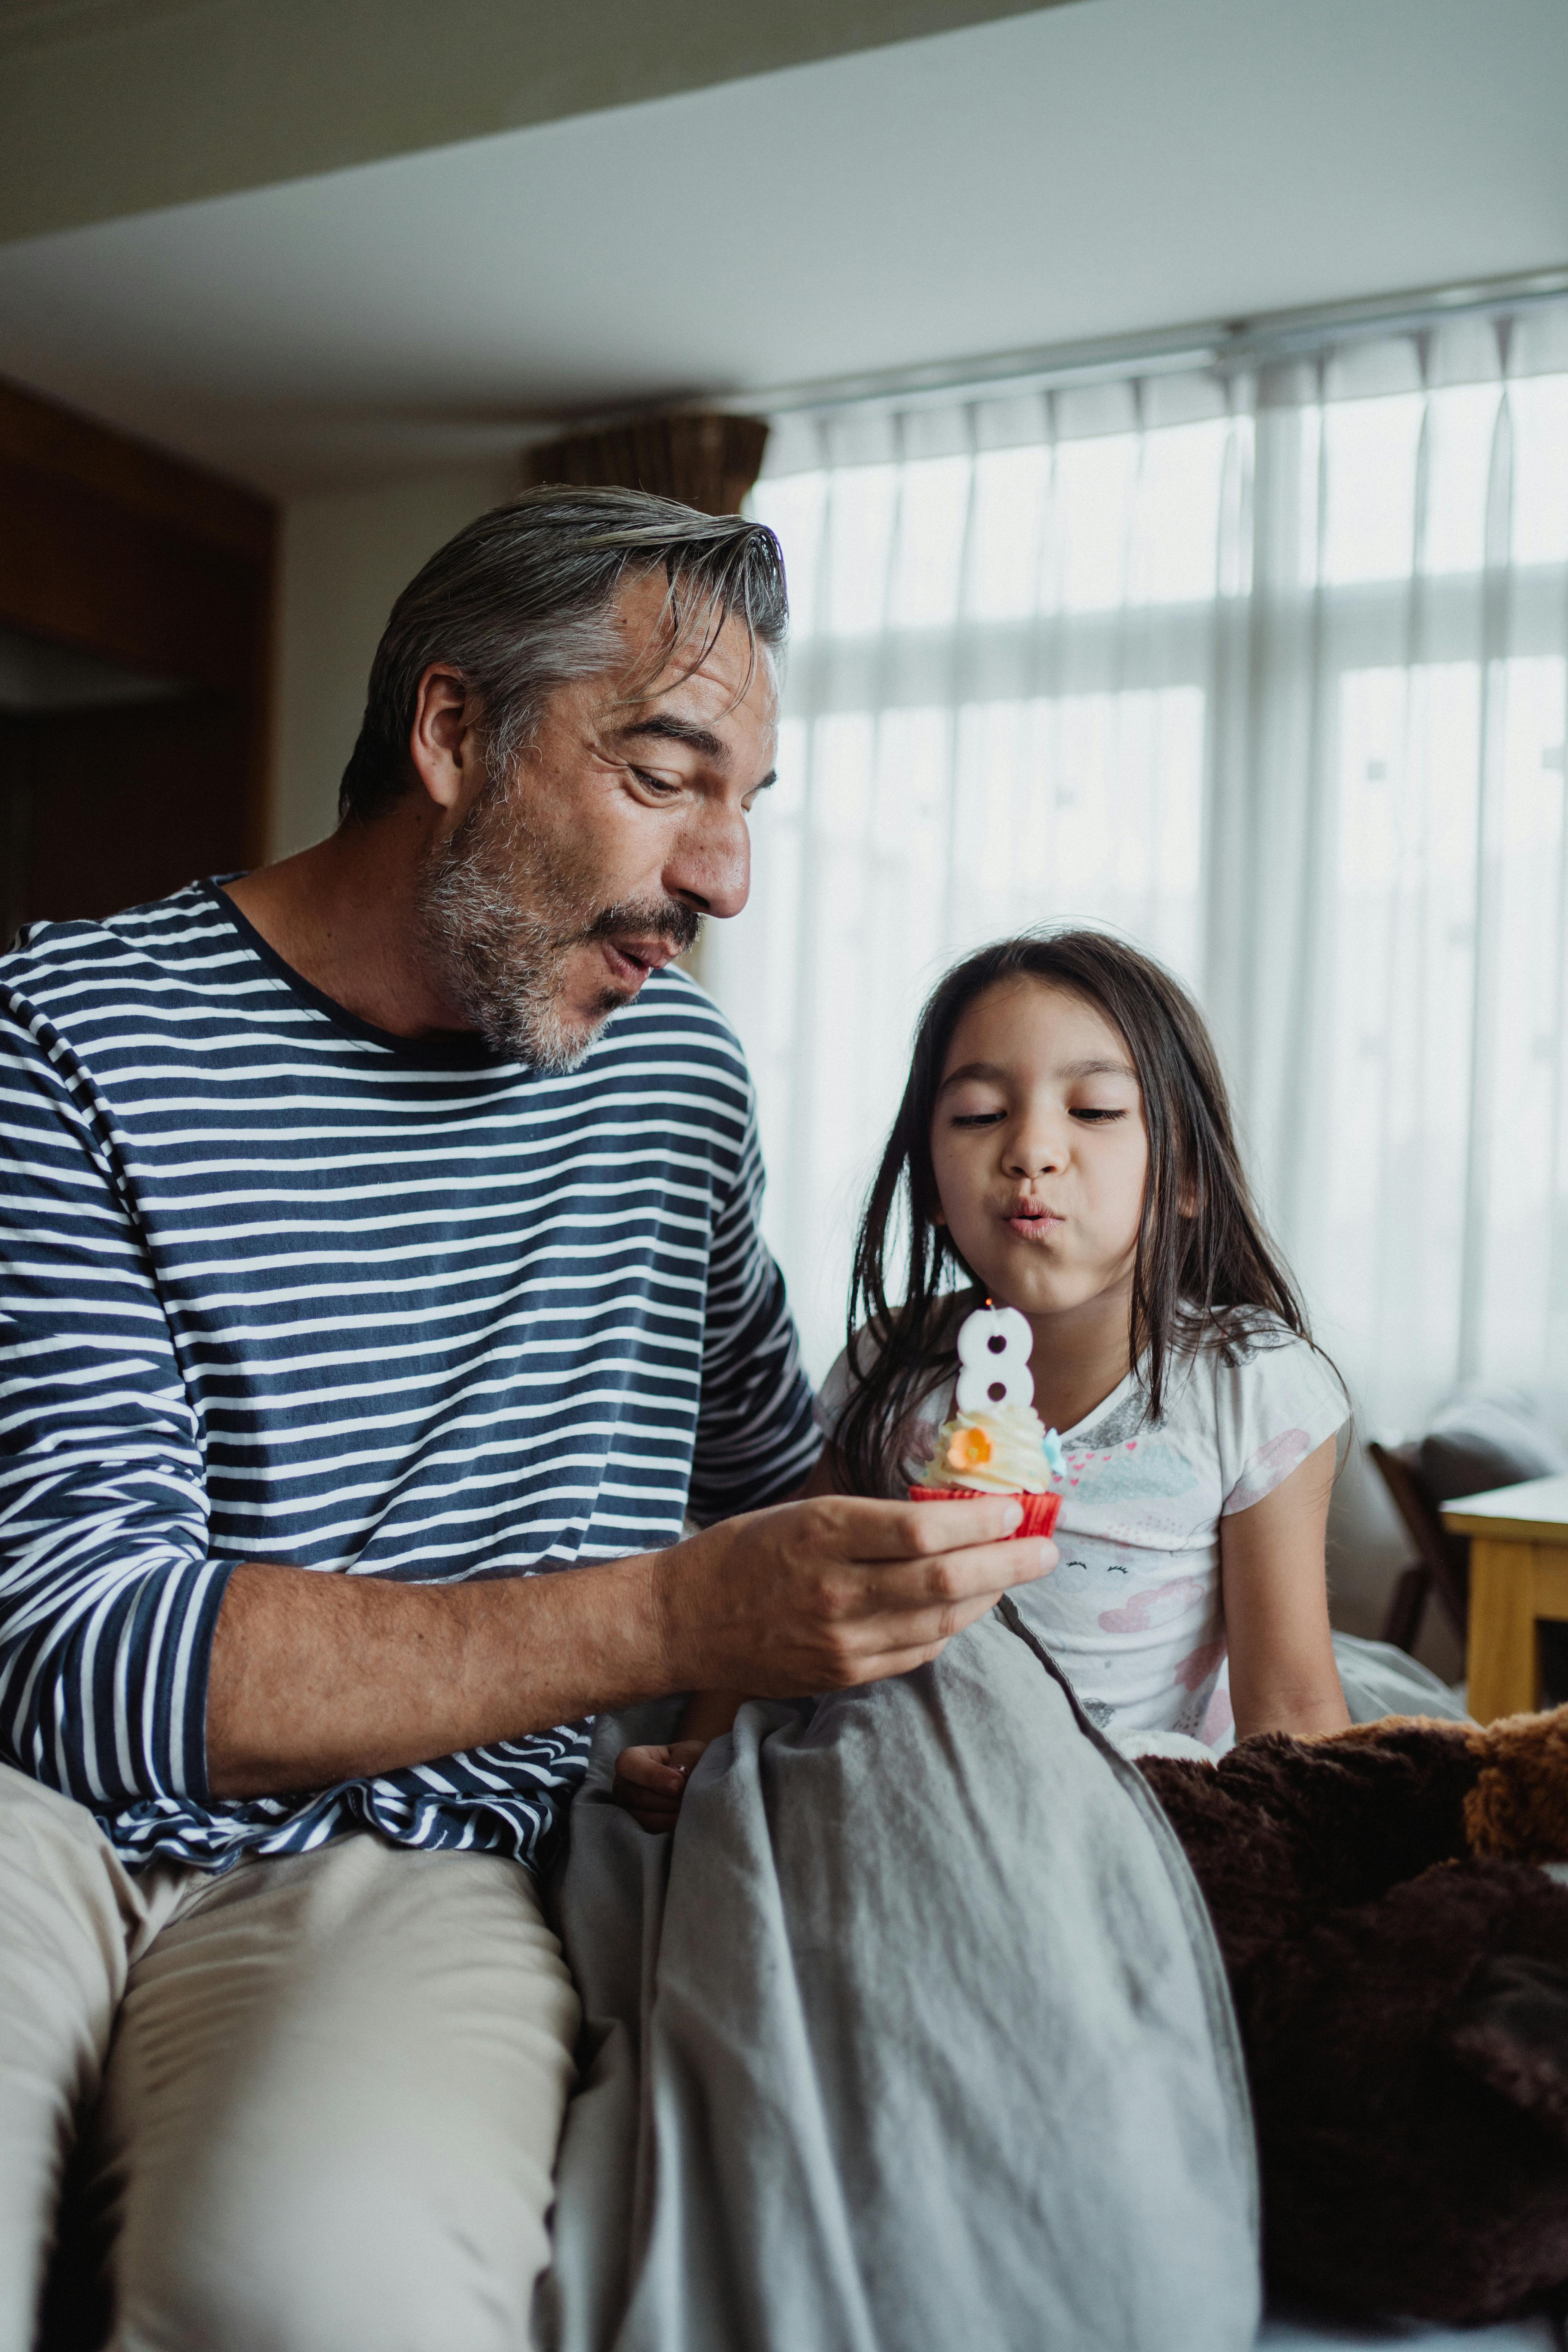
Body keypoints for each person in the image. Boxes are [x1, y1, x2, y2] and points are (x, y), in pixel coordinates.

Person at [0, 489, 1055, 2352]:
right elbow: (80, 1653)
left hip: (409, 1860)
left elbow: (758, 1474)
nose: (726, 876)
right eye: (667, 775)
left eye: (750, 806)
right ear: (451, 731)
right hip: (34, 1817)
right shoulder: (62, 1036)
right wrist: (668, 1620)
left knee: (319, 2289)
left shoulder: (671, 1079)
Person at [615, 928, 1350, 1831]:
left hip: (1127, 1813)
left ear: (1188, 1173)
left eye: (1094, 1111)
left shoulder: (1251, 1388)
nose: (1031, 1150)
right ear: (928, 1179)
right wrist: (699, 1755)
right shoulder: (889, 1367)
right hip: (898, 1788)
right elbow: (776, 1595)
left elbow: (1292, 1713)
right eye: (975, 1116)